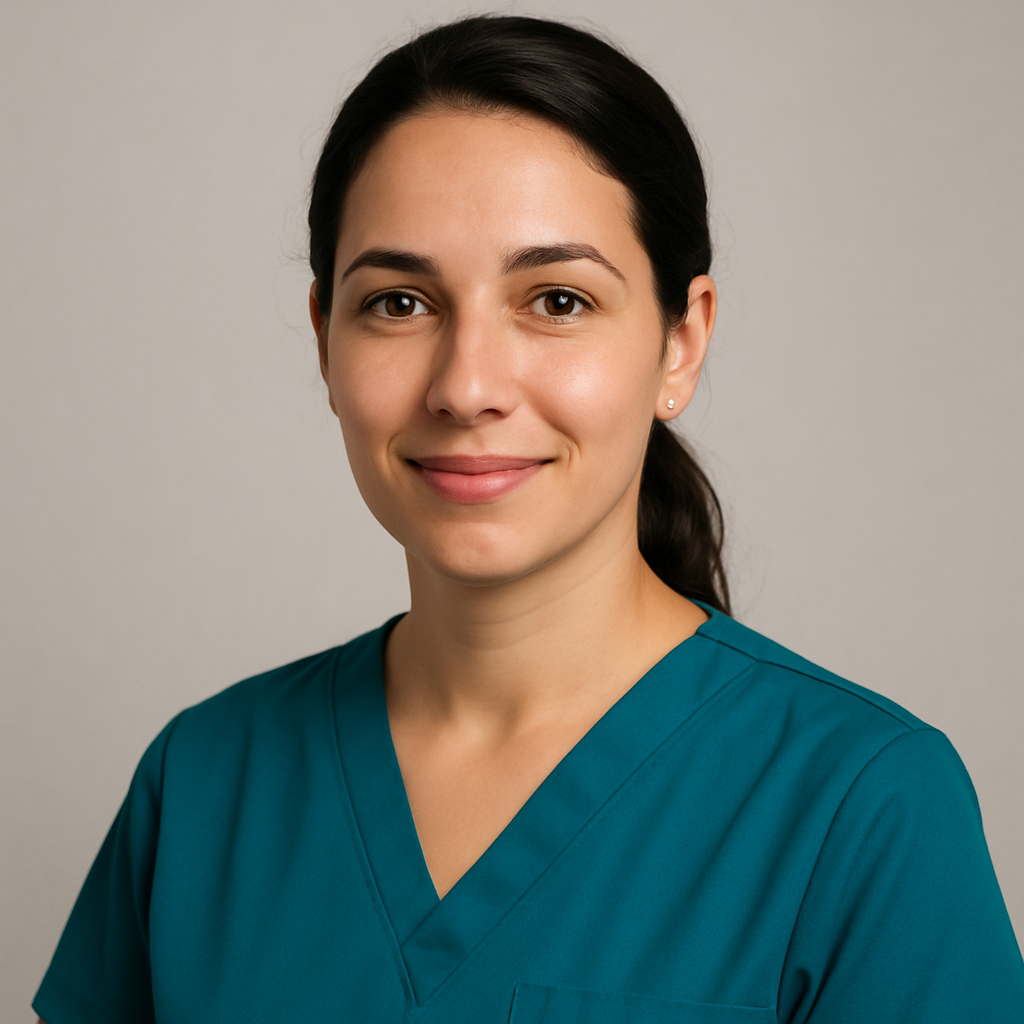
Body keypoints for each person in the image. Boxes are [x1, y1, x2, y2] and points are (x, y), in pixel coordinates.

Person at [33, 14, 1024, 1023]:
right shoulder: (203, 785)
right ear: (324, 339)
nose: (466, 387)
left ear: (680, 343)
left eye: (555, 300)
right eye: (399, 303)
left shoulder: (861, 807)